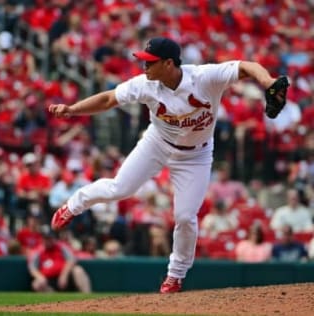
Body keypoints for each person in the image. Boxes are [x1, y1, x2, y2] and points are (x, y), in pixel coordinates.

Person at [48, 37, 288, 293]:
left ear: (169, 63)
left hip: (196, 155)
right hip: (157, 142)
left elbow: (246, 66)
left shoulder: (204, 77)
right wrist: (72, 110)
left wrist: (268, 83)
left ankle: (175, 275)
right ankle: (73, 205)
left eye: (150, 62)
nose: (144, 66)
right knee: (119, 189)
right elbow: (109, 99)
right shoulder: (145, 85)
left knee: (185, 217)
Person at [28, 229, 91, 293]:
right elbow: (32, 268)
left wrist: (64, 275)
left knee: (78, 270)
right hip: (48, 281)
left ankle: (88, 297)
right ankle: (53, 300)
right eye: (46, 238)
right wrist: (40, 277)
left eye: (50, 238)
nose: (48, 240)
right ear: (42, 239)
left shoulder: (61, 246)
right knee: (36, 284)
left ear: (53, 238)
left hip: (65, 278)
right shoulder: (37, 251)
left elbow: (71, 259)